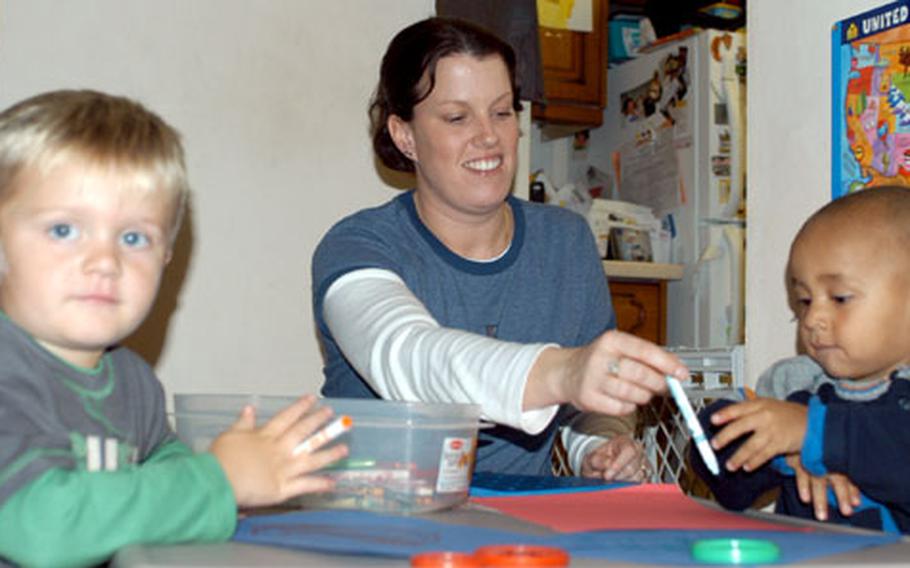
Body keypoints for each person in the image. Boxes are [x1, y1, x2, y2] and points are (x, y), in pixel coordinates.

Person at [311, 17, 688, 481]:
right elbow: (408, 358)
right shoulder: (358, 246)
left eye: (503, 112)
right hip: (376, 519)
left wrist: (597, 444)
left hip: (519, 532)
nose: (488, 136)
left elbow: (582, 410)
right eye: (457, 117)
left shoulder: (566, 242)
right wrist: (564, 370)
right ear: (404, 136)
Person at [0, 90, 348, 566]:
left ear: (166, 256)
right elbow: (41, 526)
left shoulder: (130, 380)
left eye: (133, 237)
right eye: (64, 230)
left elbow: (162, 461)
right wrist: (220, 481)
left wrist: (240, 474)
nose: (105, 260)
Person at [690, 186, 910, 533]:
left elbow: (895, 447)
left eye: (839, 297)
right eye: (804, 301)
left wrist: (812, 433)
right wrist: (782, 453)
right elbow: (720, 471)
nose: (811, 319)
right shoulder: (794, 383)